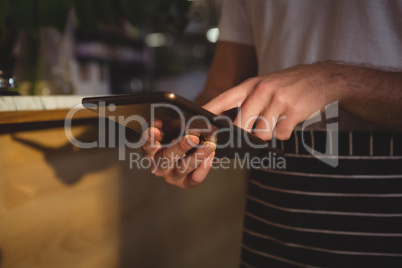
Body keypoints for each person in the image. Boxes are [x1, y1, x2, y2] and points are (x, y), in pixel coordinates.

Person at [142, 0, 402, 266]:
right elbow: (221, 87)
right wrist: (189, 134)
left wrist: (334, 81)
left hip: (387, 209)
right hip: (273, 205)